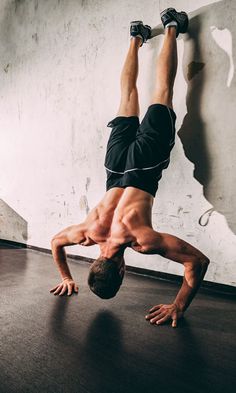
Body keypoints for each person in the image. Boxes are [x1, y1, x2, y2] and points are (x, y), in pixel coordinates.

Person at [50, 8, 210, 328]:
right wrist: (66, 277)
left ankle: (170, 28)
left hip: (143, 167)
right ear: (95, 262)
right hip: (114, 168)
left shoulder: (141, 240)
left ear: (122, 271)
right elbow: (56, 243)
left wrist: (178, 306)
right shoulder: (86, 234)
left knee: (161, 93)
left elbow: (198, 262)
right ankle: (136, 37)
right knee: (127, 96)